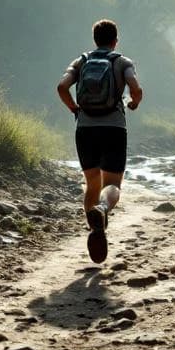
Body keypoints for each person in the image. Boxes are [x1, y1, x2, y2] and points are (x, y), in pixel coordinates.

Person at [56, 19, 143, 264]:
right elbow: (136, 90)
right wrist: (134, 103)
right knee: (113, 184)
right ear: (115, 40)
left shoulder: (81, 61)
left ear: (95, 39)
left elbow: (62, 87)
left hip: (85, 129)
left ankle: (96, 229)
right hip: (114, 128)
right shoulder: (123, 62)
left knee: (91, 184)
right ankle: (103, 210)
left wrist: (75, 108)